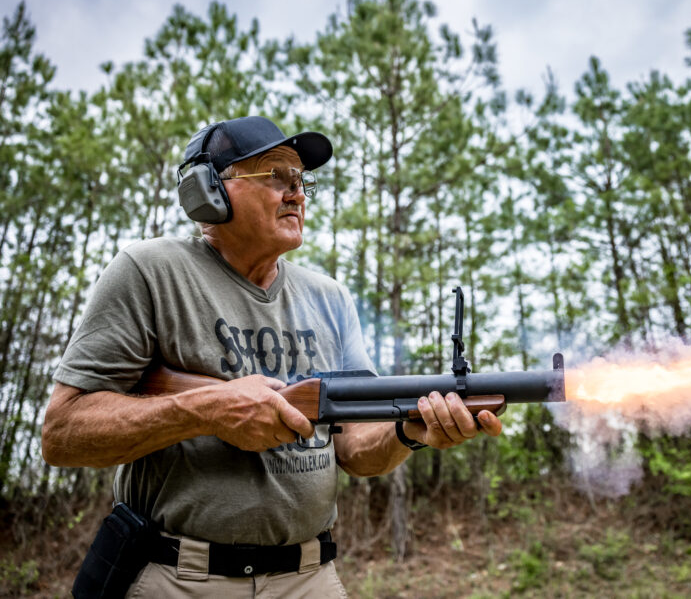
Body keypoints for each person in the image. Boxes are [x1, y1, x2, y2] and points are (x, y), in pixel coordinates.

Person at [41, 115, 502, 598]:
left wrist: (410, 430)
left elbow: (354, 450)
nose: (297, 194)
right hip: (180, 577)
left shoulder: (330, 296)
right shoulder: (149, 270)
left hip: (309, 578)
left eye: (301, 181)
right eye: (276, 176)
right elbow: (63, 435)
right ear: (209, 190)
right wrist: (207, 410)